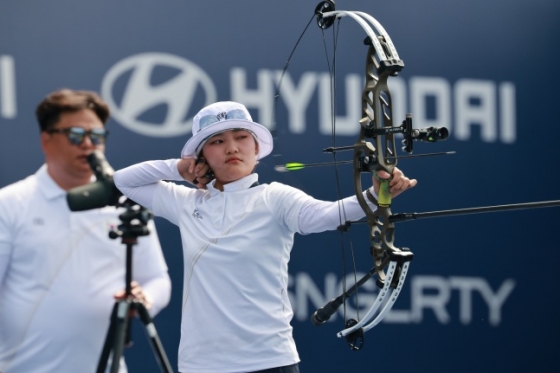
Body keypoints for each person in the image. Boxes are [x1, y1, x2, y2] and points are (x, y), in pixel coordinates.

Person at [113, 101, 417, 373]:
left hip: (269, 361)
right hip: (200, 363)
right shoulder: (185, 202)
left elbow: (327, 215)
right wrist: (178, 168)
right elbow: (123, 181)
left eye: (241, 138)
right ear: (201, 156)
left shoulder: (275, 197)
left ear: (256, 148)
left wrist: (377, 194)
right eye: (217, 141)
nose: (232, 148)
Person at [0, 89, 172, 373]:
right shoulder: (9, 204)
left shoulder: (127, 202)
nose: (89, 145)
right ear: (46, 139)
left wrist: (145, 299)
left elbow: (157, 279)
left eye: (98, 136)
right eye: (76, 135)